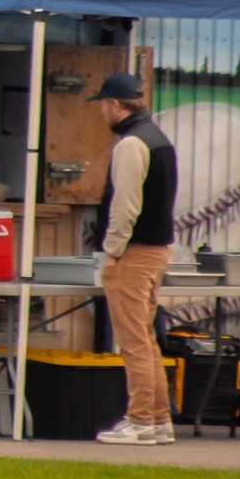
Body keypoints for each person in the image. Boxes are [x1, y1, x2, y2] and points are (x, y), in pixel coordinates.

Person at [89, 73, 179, 446]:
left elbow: (125, 207)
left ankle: (140, 420)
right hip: (158, 251)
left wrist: (112, 251)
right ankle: (159, 420)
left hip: (134, 253)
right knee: (146, 337)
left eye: (102, 105)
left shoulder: (131, 144)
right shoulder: (159, 139)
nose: (101, 112)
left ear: (113, 104)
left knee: (133, 342)